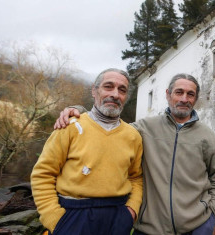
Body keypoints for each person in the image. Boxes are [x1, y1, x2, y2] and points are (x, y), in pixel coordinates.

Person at [54, 73, 215, 235]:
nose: (184, 99)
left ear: (195, 98)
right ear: (168, 94)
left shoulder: (207, 136)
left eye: (190, 94)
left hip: (195, 227)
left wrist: (212, 212)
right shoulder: (143, 128)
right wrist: (76, 111)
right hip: (148, 228)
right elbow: (107, 126)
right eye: (179, 92)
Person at [31, 68, 143, 235]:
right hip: (73, 215)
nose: (115, 94)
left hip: (118, 217)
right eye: (108, 86)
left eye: (122, 90)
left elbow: (136, 178)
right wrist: (54, 218)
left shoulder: (133, 136)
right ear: (94, 90)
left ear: (126, 96)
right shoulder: (69, 127)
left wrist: (131, 211)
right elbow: (43, 174)